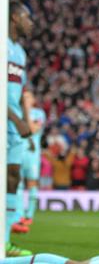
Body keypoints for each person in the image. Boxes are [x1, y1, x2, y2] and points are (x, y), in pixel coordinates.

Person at [6, 2, 34, 257]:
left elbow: (22, 91)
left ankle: (4, 243)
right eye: (27, 18)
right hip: (6, 121)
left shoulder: (20, 53)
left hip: (15, 125)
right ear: (14, 17)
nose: (31, 23)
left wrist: (26, 125)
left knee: (13, 177)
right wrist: (16, 120)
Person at [11, 92, 46, 234]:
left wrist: (25, 110)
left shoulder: (39, 113)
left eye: (28, 97)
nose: (24, 99)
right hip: (18, 153)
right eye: (23, 97)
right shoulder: (16, 112)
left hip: (32, 154)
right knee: (17, 185)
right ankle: (18, 217)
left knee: (32, 184)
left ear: (33, 99)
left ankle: (29, 216)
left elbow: (32, 130)